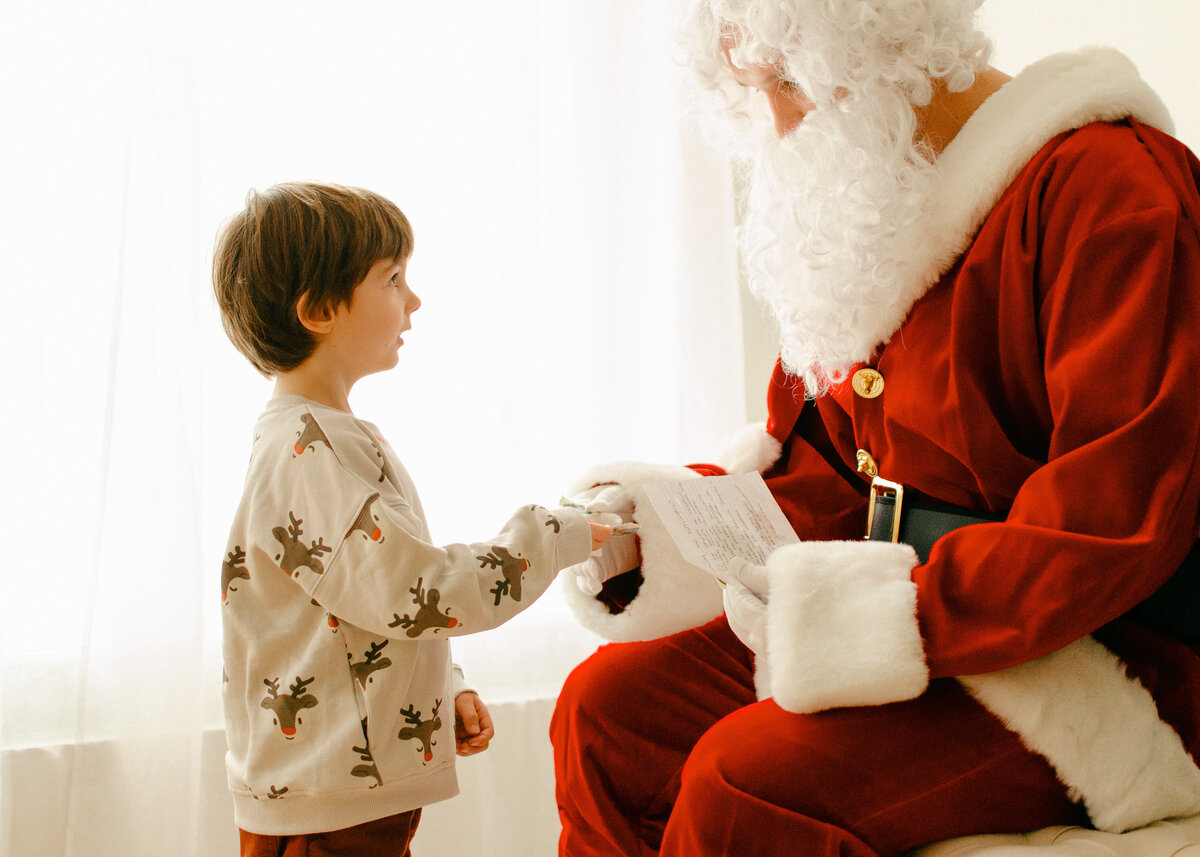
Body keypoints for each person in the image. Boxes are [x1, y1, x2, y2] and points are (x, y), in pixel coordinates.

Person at [550, 2, 1200, 855]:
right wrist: (659, 533)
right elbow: (826, 477)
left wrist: (876, 621)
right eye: (757, 91)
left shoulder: (1115, 189)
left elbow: (1112, 520)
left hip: (1102, 658)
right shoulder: (876, 208)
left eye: (788, 81)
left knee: (744, 778)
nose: (777, 125)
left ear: (886, 45)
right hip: (914, 617)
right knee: (605, 711)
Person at [211, 181, 611, 856]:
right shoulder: (309, 454)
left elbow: (367, 600)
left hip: (342, 789)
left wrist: (438, 687)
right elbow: (419, 588)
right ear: (317, 310)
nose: (414, 300)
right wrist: (555, 532)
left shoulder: (326, 438)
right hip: (322, 805)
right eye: (392, 278)